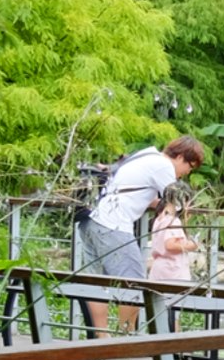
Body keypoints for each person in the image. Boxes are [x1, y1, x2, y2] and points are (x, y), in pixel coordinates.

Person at [79, 136, 204, 332]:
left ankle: (101, 339)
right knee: (134, 283)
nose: (187, 172)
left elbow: (150, 198)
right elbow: (176, 201)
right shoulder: (164, 166)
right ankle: (126, 337)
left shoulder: (146, 156)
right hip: (114, 225)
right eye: (190, 166)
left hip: (92, 220)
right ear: (180, 157)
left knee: (97, 283)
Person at [145, 183, 199, 283]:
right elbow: (170, 245)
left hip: (159, 269)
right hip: (173, 272)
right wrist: (191, 245)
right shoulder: (173, 222)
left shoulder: (159, 219)